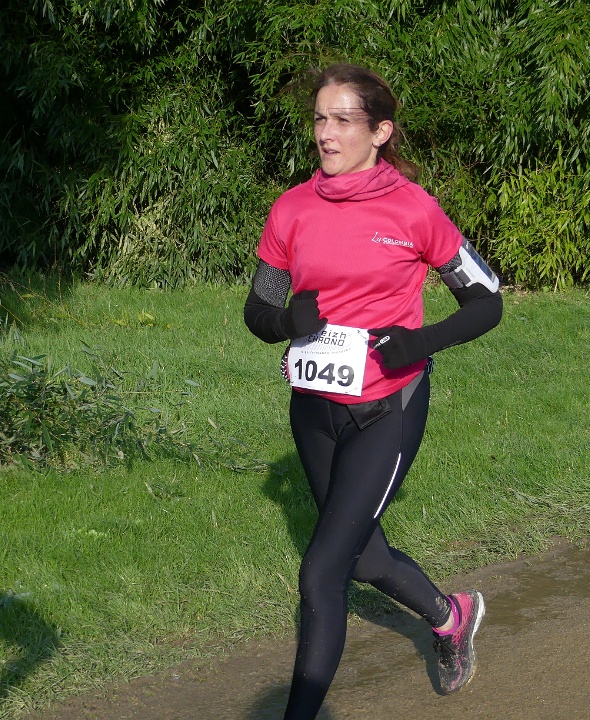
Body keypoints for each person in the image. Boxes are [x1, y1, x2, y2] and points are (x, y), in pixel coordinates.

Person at [243, 62, 503, 720]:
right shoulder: (291, 208)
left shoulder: (414, 209)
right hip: (313, 411)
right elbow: (257, 311)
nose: (325, 133)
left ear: (380, 132)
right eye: (319, 119)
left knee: (321, 571)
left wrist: (418, 343)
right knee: (362, 558)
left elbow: (487, 300)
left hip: (389, 407)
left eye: (342, 120)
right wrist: (287, 322)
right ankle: (451, 615)